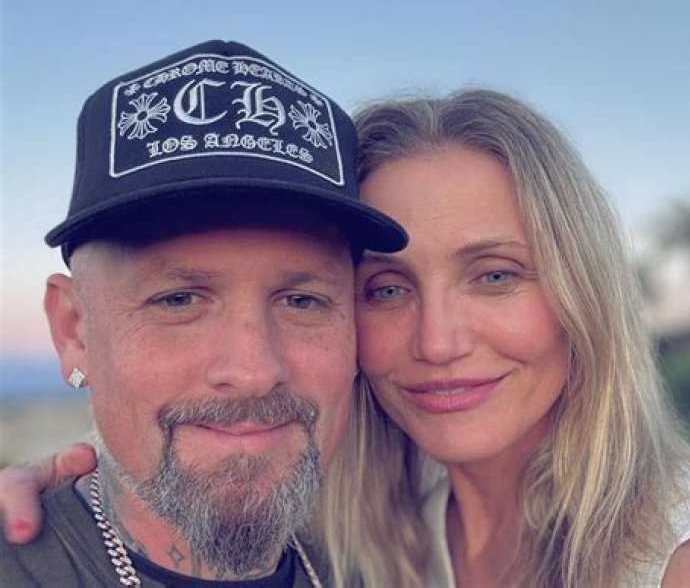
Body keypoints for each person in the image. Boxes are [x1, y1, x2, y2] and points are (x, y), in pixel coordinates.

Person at [3, 89, 690, 587]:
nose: (438, 343)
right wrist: (90, 482)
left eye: (496, 276)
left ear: (584, 293)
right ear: (73, 329)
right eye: (386, 289)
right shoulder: (357, 512)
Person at [0, 38, 407, 587]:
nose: (253, 372)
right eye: (178, 299)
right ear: (74, 331)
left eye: (302, 301)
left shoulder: (387, 568)